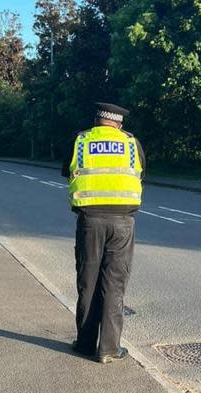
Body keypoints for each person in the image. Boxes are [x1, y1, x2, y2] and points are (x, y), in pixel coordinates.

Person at [61, 102, 145, 363]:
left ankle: (85, 344)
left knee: (88, 281)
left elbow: (67, 171)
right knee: (114, 283)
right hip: (122, 221)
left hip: (90, 220)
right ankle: (109, 349)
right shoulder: (131, 143)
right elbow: (141, 173)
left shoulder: (81, 140)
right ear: (118, 123)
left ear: (97, 120)